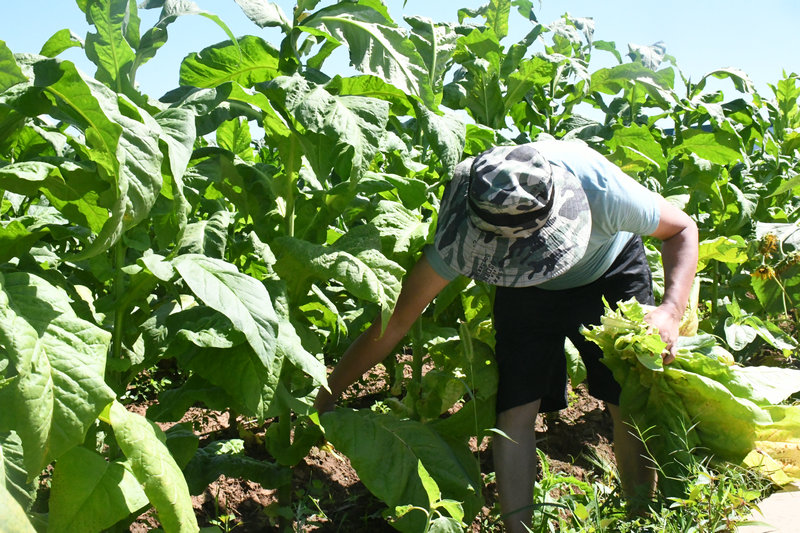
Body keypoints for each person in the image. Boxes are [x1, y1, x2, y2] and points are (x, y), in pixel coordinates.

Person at [314, 139, 699, 532]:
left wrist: (670, 310)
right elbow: (395, 320)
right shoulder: (469, 216)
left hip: (608, 272)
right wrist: (324, 396)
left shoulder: (598, 187)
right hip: (523, 291)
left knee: (626, 401)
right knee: (515, 408)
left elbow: (682, 228)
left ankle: (639, 518)